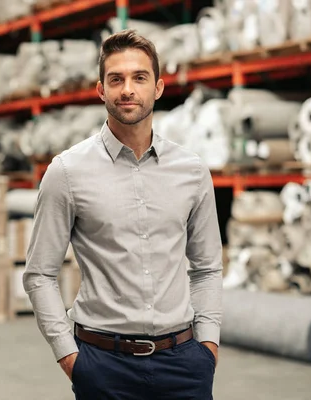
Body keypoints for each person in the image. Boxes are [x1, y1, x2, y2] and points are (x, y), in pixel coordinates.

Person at [23, 29, 223, 399]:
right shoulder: (67, 172)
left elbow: (207, 266)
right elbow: (39, 274)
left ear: (159, 88)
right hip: (103, 365)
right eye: (116, 79)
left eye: (139, 78)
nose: (127, 89)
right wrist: (69, 357)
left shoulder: (192, 171)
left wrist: (207, 348)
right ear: (101, 90)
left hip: (184, 363)